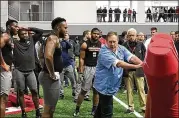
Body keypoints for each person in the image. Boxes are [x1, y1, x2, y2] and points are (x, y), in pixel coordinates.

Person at [93, 31, 143, 118]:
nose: (112, 44)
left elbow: (131, 57)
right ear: (106, 41)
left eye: (114, 41)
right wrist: (136, 66)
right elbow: (118, 63)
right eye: (110, 42)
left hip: (112, 84)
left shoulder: (121, 48)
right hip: (104, 86)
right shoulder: (104, 52)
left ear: (118, 41)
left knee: (101, 108)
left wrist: (142, 64)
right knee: (107, 113)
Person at [38, 17, 68, 118]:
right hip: (50, 77)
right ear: (58, 27)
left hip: (48, 76)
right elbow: (47, 56)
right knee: (49, 110)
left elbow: (41, 56)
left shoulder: (50, 37)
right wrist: (51, 73)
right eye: (65, 27)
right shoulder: (52, 38)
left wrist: (45, 68)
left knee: (51, 109)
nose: (66, 30)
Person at [13, 27, 43, 118]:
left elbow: (40, 31)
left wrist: (29, 28)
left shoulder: (32, 39)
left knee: (34, 91)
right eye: (22, 34)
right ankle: (23, 112)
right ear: (19, 35)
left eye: (25, 33)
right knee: (21, 92)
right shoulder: (15, 43)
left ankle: (38, 111)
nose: (24, 35)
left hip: (30, 71)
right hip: (19, 70)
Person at [74, 28, 101, 116]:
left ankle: (94, 109)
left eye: (97, 34)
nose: (96, 35)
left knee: (96, 91)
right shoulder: (85, 44)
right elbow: (81, 59)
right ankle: (77, 109)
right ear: (91, 34)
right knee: (84, 91)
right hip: (88, 68)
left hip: (97, 68)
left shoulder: (100, 44)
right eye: (94, 33)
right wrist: (81, 72)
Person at [0, 27, 12, 118]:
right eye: (15, 26)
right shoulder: (5, 36)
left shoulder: (8, 37)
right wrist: (3, 63)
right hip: (3, 70)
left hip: (5, 70)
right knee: (4, 98)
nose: (17, 28)